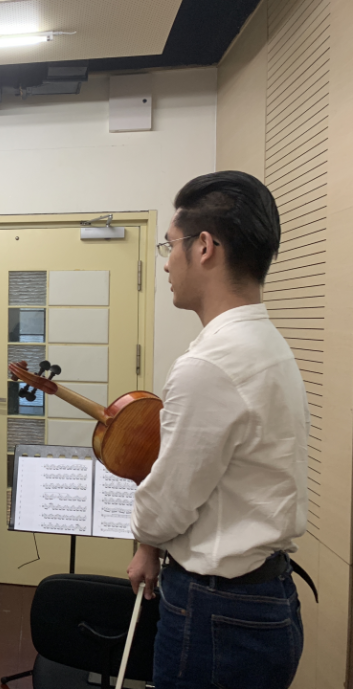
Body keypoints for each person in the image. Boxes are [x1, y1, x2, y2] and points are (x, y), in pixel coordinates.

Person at [126, 171, 310, 689]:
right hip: (266, 594)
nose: (167, 262)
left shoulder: (211, 363)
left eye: (170, 245)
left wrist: (145, 536)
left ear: (204, 247)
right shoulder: (269, 344)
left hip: (219, 609)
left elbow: (168, 503)